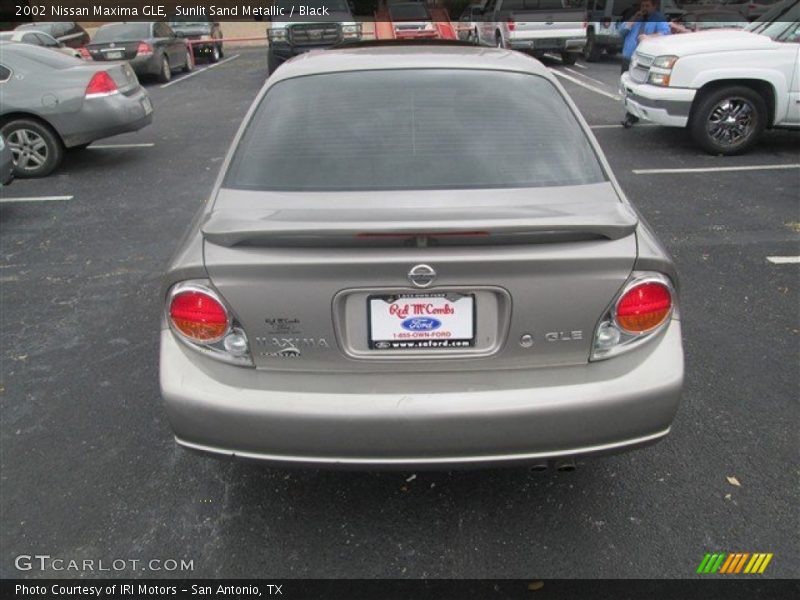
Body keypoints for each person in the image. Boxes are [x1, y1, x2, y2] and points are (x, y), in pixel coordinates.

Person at [619, 0, 671, 127]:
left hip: (643, 60)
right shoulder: (636, 18)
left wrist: (650, 37)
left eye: (647, 6)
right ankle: (631, 113)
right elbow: (621, 32)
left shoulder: (658, 19)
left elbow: (666, 33)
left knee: (638, 88)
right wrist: (633, 19)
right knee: (627, 88)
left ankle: (632, 116)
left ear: (654, 6)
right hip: (628, 57)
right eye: (642, 6)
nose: (644, 8)